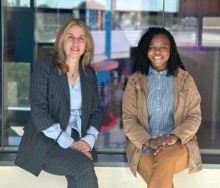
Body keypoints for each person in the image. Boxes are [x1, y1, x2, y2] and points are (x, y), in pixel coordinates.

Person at [15, 18, 103, 188]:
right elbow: (39, 112)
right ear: (62, 40)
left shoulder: (89, 74)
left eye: (81, 38)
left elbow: (96, 112)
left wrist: (88, 141)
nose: (76, 42)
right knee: (83, 166)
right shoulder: (45, 67)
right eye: (70, 36)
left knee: (78, 174)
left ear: (87, 44)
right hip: (45, 142)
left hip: (79, 139)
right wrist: (71, 143)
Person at [122, 27, 202, 188]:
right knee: (161, 175)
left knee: (164, 160)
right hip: (144, 146)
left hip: (178, 145)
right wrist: (150, 142)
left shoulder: (185, 80)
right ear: (146, 50)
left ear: (171, 51)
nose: (157, 51)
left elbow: (194, 116)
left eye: (163, 47)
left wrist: (173, 137)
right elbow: (129, 119)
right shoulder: (134, 82)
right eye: (152, 47)